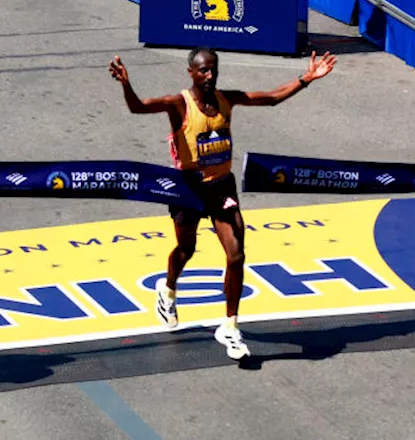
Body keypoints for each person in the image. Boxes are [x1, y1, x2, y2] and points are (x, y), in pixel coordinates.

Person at [109, 47, 336, 359]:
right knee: (186, 249)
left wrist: (307, 78)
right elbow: (138, 107)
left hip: (220, 187)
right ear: (191, 72)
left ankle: (229, 326)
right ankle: (168, 289)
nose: (210, 75)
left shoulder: (227, 99)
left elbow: (270, 97)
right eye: (203, 71)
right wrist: (125, 83)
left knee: (237, 254)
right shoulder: (179, 104)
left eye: (213, 69)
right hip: (187, 189)